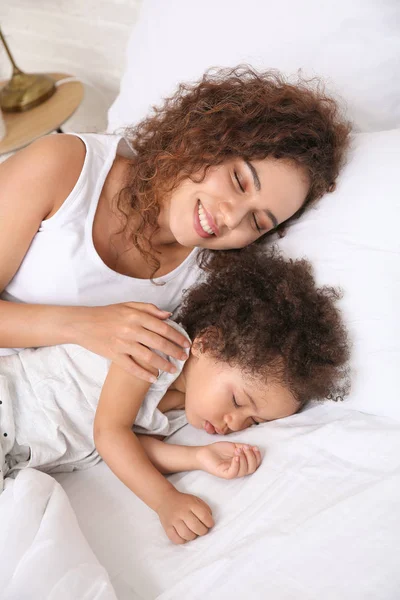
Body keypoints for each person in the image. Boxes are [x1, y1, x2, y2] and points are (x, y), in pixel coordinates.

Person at [0, 66, 351, 381]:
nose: (231, 218)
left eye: (258, 221)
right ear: (204, 139)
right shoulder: (63, 167)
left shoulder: (203, 280)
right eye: (240, 181)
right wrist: (84, 325)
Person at [0, 245, 350, 544]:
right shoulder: (158, 344)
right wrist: (165, 500)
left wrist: (199, 458)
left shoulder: (185, 408)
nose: (236, 423)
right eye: (239, 402)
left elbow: (135, 448)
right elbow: (110, 433)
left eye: (253, 421)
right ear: (207, 344)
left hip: (16, 452)